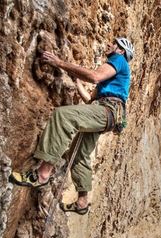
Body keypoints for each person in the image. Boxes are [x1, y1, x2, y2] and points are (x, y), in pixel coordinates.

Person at [9, 37, 134, 215]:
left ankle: (42, 175)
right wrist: (77, 84)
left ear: (121, 50)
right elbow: (90, 100)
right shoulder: (111, 82)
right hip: (105, 112)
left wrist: (59, 63)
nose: (108, 44)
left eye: (113, 43)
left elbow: (94, 76)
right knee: (78, 152)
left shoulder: (118, 60)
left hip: (107, 110)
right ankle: (82, 202)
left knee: (63, 116)